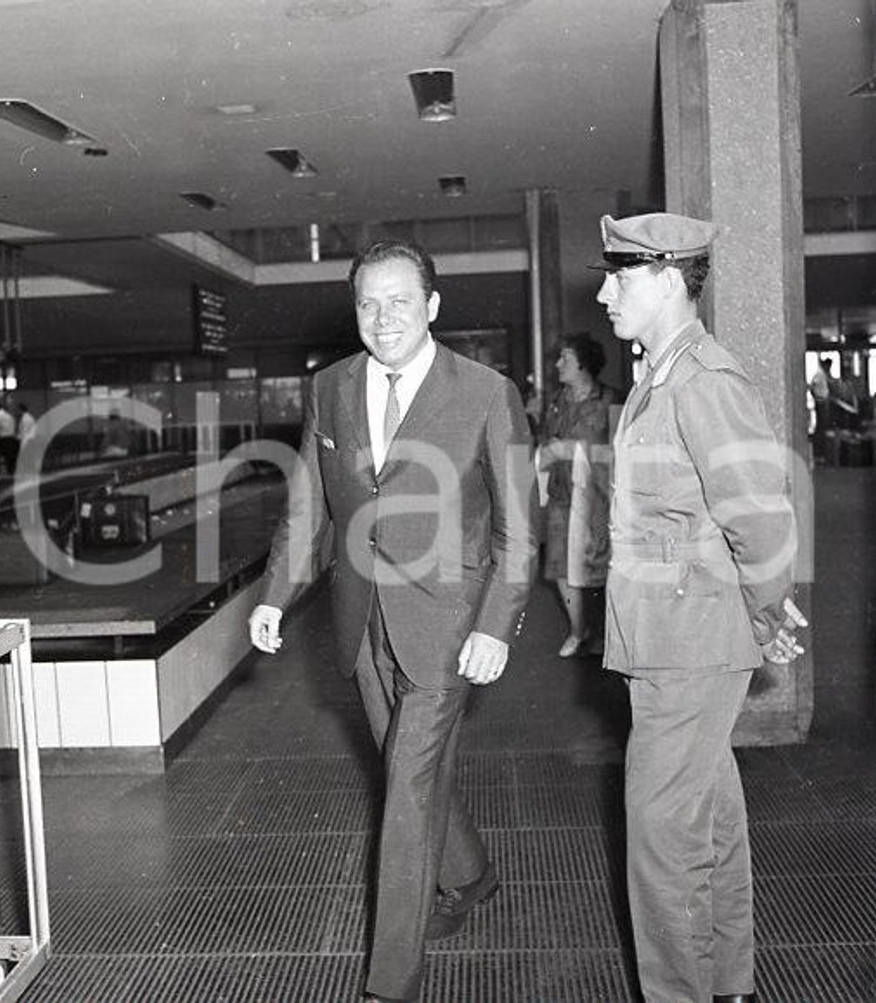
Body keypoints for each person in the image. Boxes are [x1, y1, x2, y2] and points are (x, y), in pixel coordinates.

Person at [248, 239, 537, 1003]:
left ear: (433, 306)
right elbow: (310, 503)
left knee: (405, 791)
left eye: (400, 300)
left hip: (448, 619)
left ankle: (390, 983)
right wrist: (275, 594)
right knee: (410, 765)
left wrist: (494, 624)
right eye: (368, 302)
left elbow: (519, 529)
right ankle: (470, 876)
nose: (383, 318)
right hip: (360, 617)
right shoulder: (331, 387)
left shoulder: (484, 392)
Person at [594, 211, 807, 1003]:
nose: (606, 292)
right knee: (707, 819)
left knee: (661, 836)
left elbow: (758, 512)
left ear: (666, 276)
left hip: (688, 640)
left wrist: (767, 611)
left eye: (619, 274)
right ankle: (731, 984)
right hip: (670, 635)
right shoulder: (660, 372)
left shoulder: (703, 379)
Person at [535, 334, 616, 656]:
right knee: (559, 566)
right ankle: (578, 630)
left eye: (564, 358)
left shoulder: (611, 399)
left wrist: (573, 449)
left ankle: (604, 634)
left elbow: (622, 451)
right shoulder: (557, 400)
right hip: (562, 493)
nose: (558, 364)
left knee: (598, 566)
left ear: (583, 363)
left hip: (597, 498)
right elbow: (546, 440)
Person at [0, 397, 18, 474]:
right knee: (11, 461)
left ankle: (1, 474)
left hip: (3, 441)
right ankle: (11, 475)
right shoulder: (9, 416)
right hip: (12, 440)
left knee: (3, 460)